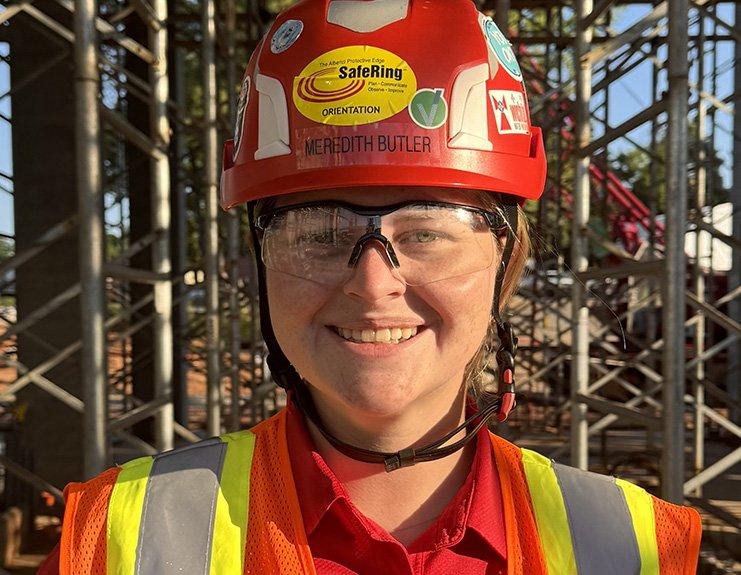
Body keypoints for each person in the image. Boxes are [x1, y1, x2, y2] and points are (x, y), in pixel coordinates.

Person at [39, 1, 701, 573]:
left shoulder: (638, 549)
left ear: (508, 259)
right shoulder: (110, 540)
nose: (373, 283)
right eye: (318, 232)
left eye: (427, 231)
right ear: (259, 260)